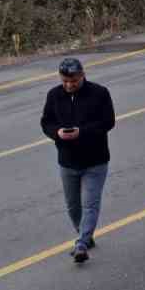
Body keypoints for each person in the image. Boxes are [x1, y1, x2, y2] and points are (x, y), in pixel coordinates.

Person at [40, 57, 115, 264]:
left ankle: (81, 243)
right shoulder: (54, 95)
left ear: (82, 75)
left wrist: (82, 132)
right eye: (65, 81)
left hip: (96, 160)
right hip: (67, 161)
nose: (69, 85)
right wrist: (57, 133)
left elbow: (108, 122)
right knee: (73, 207)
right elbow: (46, 122)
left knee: (90, 204)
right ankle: (86, 235)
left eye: (73, 81)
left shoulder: (100, 93)